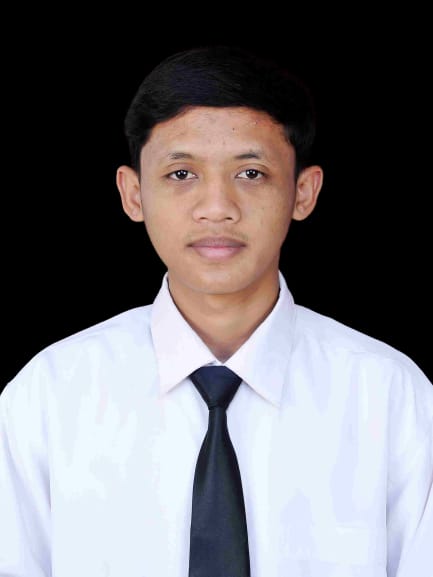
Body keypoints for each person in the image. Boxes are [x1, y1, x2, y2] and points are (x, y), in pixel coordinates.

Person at [0, 44, 432, 577]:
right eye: (182, 174)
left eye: (250, 173)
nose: (217, 208)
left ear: (303, 192)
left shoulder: (393, 399)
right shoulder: (46, 397)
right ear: (133, 194)